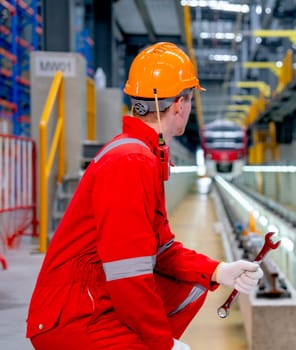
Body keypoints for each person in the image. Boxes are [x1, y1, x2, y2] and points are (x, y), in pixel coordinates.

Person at [26, 42, 263, 350]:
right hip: (73, 314)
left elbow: (162, 250)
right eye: (190, 101)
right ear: (179, 105)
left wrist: (219, 271)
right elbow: (129, 275)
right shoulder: (131, 162)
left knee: (191, 284)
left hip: (90, 296)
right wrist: (164, 344)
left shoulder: (142, 153)